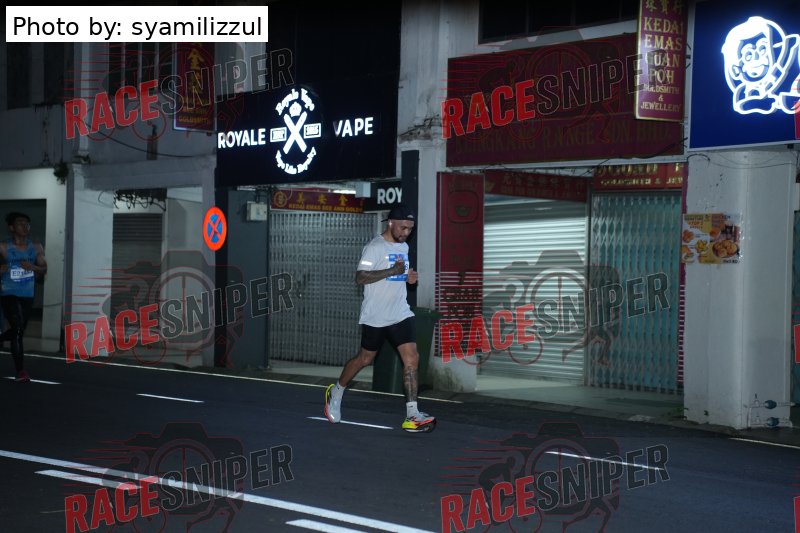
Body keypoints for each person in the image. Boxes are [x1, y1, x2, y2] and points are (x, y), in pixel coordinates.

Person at [324, 204, 435, 432]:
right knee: (365, 359)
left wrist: (408, 277)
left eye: (410, 229)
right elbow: (360, 278)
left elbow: (398, 274)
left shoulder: (403, 246)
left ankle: (412, 414)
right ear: (391, 223)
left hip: (400, 313)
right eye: (403, 227)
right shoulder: (374, 247)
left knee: (412, 358)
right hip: (375, 316)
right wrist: (392, 271)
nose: (406, 233)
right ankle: (337, 391)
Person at [0, 212, 47, 382]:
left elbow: (44, 269)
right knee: (18, 330)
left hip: (27, 294)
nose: (25, 226)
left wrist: (33, 267)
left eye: (27, 223)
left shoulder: (36, 247)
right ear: (11, 227)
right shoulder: (3, 247)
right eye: (20, 223)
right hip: (8, 293)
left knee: (18, 331)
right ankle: (20, 371)